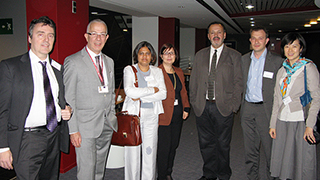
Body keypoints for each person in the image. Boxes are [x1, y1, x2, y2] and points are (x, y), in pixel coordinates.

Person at [0, 16, 72, 179]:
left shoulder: (57, 68)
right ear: (30, 38)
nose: (46, 39)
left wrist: (67, 109)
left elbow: (58, 100)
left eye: (51, 35)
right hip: (28, 139)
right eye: (41, 34)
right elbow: (2, 110)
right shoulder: (11, 67)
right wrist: (2, 147)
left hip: (53, 135)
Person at [63, 19, 117, 180]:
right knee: (87, 170)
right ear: (86, 36)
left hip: (106, 123)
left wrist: (112, 113)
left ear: (107, 38)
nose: (98, 38)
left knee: (100, 167)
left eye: (102, 34)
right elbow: (68, 98)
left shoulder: (109, 62)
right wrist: (73, 130)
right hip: (84, 127)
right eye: (94, 34)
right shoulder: (73, 62)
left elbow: (111, 92)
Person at [189, 22, 243, 180]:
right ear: (208, 36)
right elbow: (193, 82)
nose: (216, 35)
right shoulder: (200, 55)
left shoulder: (234, 56)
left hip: (224, 107)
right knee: (206, 143)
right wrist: (194, 101)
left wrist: (233, 105)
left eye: (219, 32)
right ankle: (209, 173)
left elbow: (239, 82)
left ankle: (224, 173)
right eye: (213, 32)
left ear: (224, 35)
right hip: (203, 106)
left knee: (223, 144)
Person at [269, 32, 320, 180]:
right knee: (283, 157)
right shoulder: (282, 70)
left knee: (300, 159)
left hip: (300, 120)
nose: (290, 50)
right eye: (286, 46)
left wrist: (310, 125)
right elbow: (277, 99)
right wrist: (273, 124)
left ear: (301, 48)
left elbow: (317, 98)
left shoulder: (308, 68)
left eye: (294, 46)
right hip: (282, 119)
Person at [240, 27, 283, 180]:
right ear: (250, 40)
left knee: (270, 149)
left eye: (260, 38)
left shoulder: (278, 62)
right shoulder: (243, 60)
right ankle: (253, 177)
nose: (257, 41)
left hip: (267, 110)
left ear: (266, 41)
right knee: (250, 150)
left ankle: (272, 177)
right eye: (254, 38)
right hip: (247, 109)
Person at [122, 41, 166, 180]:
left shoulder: (157, 71)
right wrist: (152, 90)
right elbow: (129, 91)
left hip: (151, 115)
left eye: (147, 53)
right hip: (133, 116)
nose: (144, 56)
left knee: (150, 150)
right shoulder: (129, 70)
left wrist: (141, 96)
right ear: (137, 55)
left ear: (152, 56)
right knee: (132, 151)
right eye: (141, 53)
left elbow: (163, 94)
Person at [157, 43, 190, 180]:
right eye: (166, 53)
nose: (169, 56)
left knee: (173, 145)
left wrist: (186, 107)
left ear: (176, 56)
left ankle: (168, 171)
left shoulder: (179, 71)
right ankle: (162, 175)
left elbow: (183, 91)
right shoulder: (156, 72)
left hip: (177, 114)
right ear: (161, 56)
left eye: (172, 53)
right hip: (163, 115)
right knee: (164, 148)